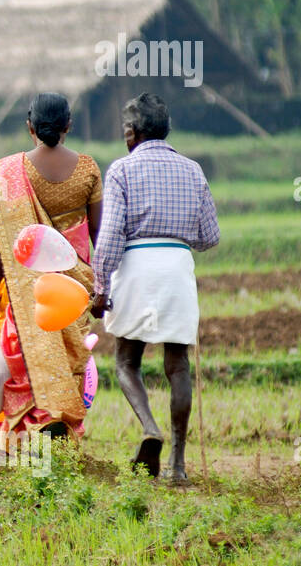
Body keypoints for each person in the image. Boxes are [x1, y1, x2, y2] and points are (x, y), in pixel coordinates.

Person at [90, 93, 220, 484]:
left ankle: (150, 427)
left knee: (128, 360)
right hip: (178, 268)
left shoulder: (121, 171)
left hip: (136, 266)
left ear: (131, 133)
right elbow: (209, 235)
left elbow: (111, 234)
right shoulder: (193, 169)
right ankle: (178, 466)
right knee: (178, 365)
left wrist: (100, 286)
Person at [0, 93, 103, 452]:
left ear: (29, 126)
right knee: (69, 361)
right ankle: (58, 435)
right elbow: (97, 235)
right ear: (68, 125)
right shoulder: (88, 169)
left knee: (25, 362)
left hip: (28, 290)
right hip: (75, 289)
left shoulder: (9, 174)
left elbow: (4, 242)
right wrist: (104, 287)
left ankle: (23, 441)